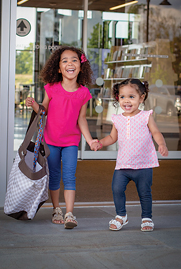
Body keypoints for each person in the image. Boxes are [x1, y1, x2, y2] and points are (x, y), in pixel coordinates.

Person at [25, 46, 97, 229]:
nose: (69, 63)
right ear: (58, 68)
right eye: (64, 61)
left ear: (81, 67)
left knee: (70, 176)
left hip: (71, 142)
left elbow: (81, 119)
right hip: (51, 142)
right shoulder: (52, 88)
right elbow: (44, 111)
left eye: (74, 60)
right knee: (55, 176)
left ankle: (70, 213)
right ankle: (57, 209)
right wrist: (34, 104)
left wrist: (89, 140)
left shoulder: (83, 93)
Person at [91, 78, 168, 232]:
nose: (126, 101)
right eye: (122, 97)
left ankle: (147, 217)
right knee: (117, 189)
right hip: (123, 165)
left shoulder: (146, 116)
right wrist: (100, 143)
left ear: (142, 98)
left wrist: (161, 144)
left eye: (131, 97)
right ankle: (121, 216)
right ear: (118, 98)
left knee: (144, 193)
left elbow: (155, 132)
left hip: (143, 164)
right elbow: (112, 138)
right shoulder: (117, 119)